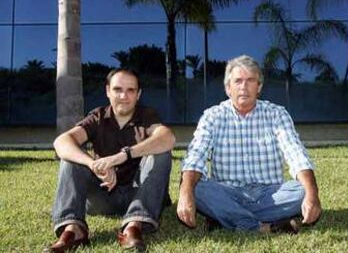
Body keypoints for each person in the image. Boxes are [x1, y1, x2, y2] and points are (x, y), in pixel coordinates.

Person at [177, 55, 321, 234]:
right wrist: (185, 194)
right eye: (238, 81)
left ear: (259, 87)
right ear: (228, 88)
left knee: (302, 190)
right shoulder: (212, 116)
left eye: (250, 81)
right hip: (228, 190)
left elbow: (295, 153)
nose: (244, 87)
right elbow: (195, 155)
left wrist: (312, 193)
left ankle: (226, 217)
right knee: (195, 188)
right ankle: (264, 225)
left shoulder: (277, 114)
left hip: (270, 194)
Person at [44, 68, 176, 252]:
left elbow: (168, 138)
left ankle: (133, 226)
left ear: (139, 94)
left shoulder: (147, 116)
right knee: (70, 159)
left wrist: (121, 156)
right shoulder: (98, 116)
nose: (124, 96)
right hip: (103, 196)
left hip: (139, 194)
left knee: (161, 153)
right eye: (117, 89)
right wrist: (93, 164)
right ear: (108, 91)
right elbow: (61, 142)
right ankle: (74, 230)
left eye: (131, 90)